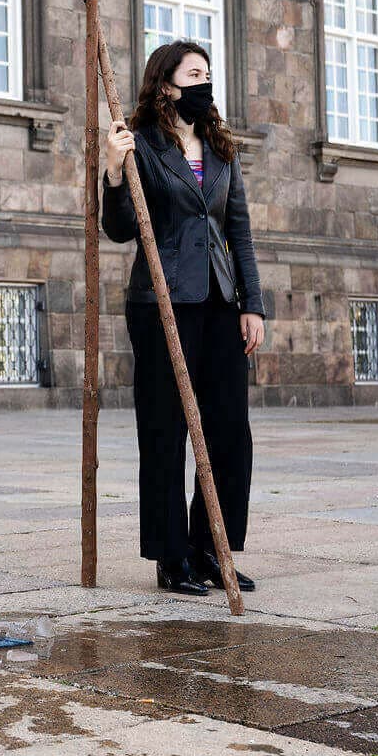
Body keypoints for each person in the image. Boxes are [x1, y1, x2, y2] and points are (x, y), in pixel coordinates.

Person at [102, 40, 265, 597]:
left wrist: (252, 303)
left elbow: (238, 229)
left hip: (220, 300)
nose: (205, 82)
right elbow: (122, 229)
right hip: (162, 302)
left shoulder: (220, 147)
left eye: (209, 74)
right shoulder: (141, 143)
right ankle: (172, 558)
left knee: (229, 431)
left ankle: (213, 547)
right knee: (165, 430)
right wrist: (114, 173)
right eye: (195, 73)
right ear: (166, 83)